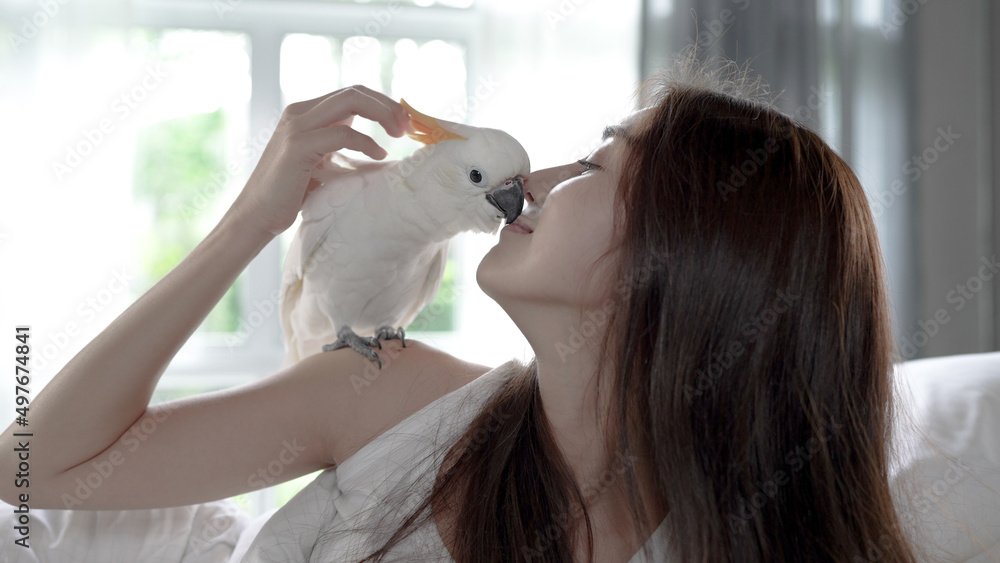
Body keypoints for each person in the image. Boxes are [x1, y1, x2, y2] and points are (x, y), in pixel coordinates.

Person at [0, 55, 924, 562]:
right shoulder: (386, 391)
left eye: (594, 165)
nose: (546, 183)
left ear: (684, 265)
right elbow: (32, 468)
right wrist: (251, 222)